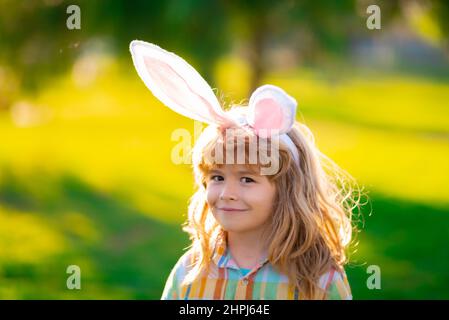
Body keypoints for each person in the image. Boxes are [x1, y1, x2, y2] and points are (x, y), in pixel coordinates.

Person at [130, 40, 362, 300]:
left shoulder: (319, 281)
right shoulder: (190, 272)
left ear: (287, 189)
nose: (227, 193)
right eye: (217, 177)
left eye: (247, 179)